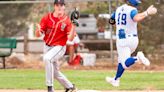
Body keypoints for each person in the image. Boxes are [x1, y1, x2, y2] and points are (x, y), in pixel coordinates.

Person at [106, 0, 157, 87]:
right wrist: (147, 12)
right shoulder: (132, 10)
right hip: (134, 40)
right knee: (121, 61)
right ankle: (116, 79)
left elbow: (111, 21)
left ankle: (137, 58)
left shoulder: (118, 9)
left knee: (125, 64)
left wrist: (119, 24)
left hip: (123, 40)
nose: (137, 5)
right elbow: (136, 18)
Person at [35, 0, 79, 92]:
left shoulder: (67, 21)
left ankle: (50, 87)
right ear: (54, 6)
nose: (59, 6)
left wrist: (73, 26)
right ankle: (70, 87)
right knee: (54, 72)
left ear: (64, 7)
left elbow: (70, 39)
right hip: (47, 46)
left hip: (59, 47)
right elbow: (38, 35)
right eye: (57, 4)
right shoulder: (47, 18)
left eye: (61, 5)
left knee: (47, 59)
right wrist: (38, 31)